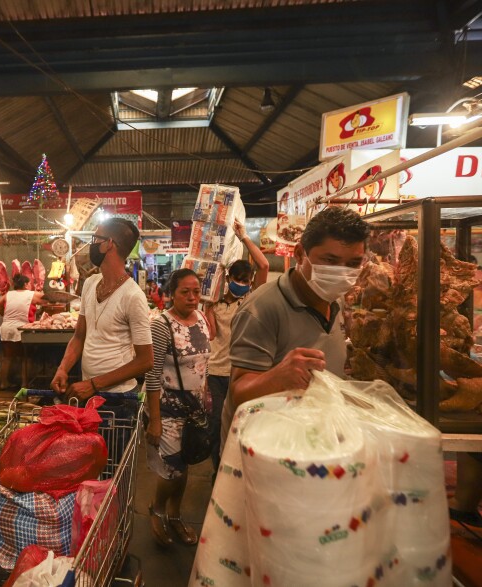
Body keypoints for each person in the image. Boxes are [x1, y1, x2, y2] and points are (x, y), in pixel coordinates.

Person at [221, 207, 371, 446]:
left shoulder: (336, 301)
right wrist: (277, 377)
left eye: (353, 263)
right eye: (330, 260)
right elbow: (238, 392)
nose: (342, 273)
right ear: (301, 254)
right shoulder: (261, 309)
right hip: (268, 448)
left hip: (318, 440)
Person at [51, 218, 153, 448]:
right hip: (90, 398)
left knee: (113, 472)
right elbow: (79, 336)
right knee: (91, 471)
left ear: (109, 244)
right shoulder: (90, 283)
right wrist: (63, 368)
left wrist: (94, 384)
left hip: (118, 401)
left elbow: (146, 361)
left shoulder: (133, 296)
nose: (91, 244)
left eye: (95, 238)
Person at [144, 269, 214, 546]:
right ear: (171, 293)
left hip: (194, 408)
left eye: (196, 291)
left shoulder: (202, 319)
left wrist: (205, 397)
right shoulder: (161, 325)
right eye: (185, 292)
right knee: (171, 469)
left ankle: (175, 515)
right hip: (167, 407)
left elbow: (204, 364)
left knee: (184, 465)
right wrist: (155, 421)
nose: (192, 297)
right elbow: (151, 373)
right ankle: (157, 509)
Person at [203, 220, 270, 473]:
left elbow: (263, 265)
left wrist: (243, 237)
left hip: (244, 372)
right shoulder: (215, 303)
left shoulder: (253, 298)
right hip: (216, 373)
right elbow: (210, 335)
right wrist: (206, 308)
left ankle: (240, 468)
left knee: (243, 423)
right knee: (217, 424)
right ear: (228, 278)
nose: (242, 283)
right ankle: (218, 471)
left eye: (247, 280)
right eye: (238, 279)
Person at [0, 274, 44, 390]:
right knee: (26, 358)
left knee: (7, 357)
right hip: (23, 329)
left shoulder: (9, 294)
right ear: (26, 284)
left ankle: (3, 383)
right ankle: (24, 385)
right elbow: (49, 300)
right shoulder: (31, 294)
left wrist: (5, 316)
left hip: (7, 328)